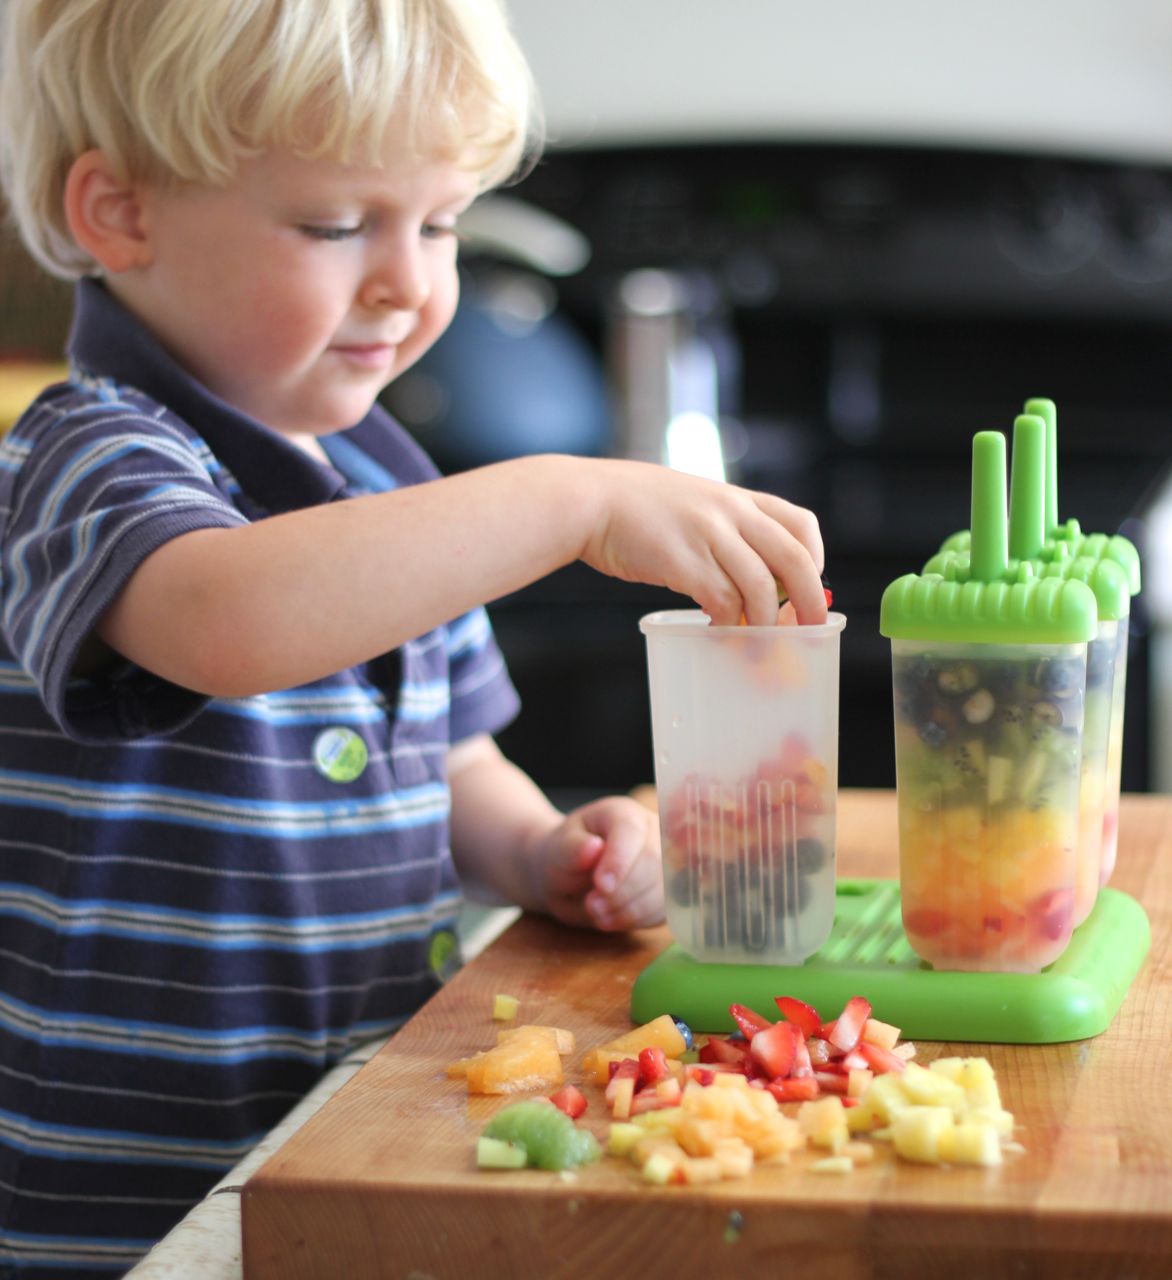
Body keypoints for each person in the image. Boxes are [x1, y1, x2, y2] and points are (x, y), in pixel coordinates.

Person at [0, 0, 827, 1271]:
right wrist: (567, 494)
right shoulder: (83, 455)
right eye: (337, 225)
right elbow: (226, 617)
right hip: (121, 1212)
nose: (410, 280)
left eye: (440, 223)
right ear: (120, 214)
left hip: (344, 1151)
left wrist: (542, 846)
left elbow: (445, 759)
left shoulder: (388, 486)